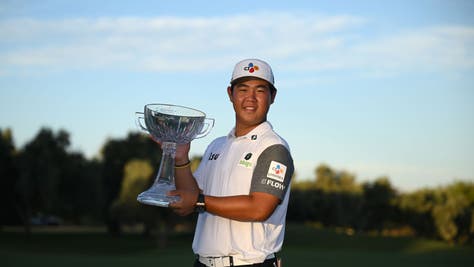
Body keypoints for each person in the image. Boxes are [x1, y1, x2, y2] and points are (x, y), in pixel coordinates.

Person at [168, 58, 294, 267]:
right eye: (243, 89)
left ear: (273, 96)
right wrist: (181, 159)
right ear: (230, 94)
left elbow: (259, 208)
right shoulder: (216, 146)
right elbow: (188, 200)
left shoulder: (274, 148)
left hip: (250, 263)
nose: (250, 98)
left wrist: (200, 201)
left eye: (260, 90)